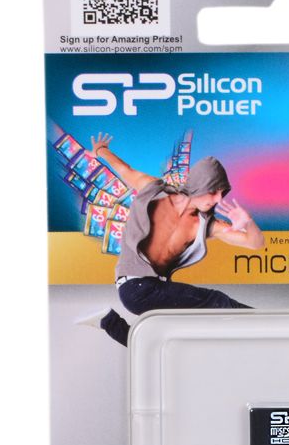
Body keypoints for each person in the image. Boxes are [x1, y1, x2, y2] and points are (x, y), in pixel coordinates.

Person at [78, 133, 264, 346]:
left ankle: (108, 321)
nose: (218, 199)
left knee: (166, 340)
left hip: (153, 289)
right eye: (214, 192)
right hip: (135, 286)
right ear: (199, 185)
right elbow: (125, 169)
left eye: (222, 193)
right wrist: (101, 150)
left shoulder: (206, 225)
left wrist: (248, 223)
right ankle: (266, 327)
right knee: (216, 301)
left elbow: (254, 243)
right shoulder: (154, 191)